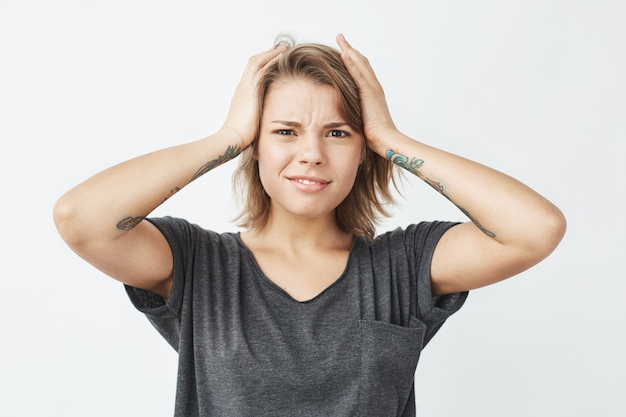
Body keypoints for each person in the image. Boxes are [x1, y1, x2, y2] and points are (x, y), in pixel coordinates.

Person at [53, 34, 566, 417]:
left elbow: (536, 228)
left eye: (338, 132)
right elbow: (82, 219)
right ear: (256, 146)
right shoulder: (198, 264)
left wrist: (388, 136)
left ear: (362, 152)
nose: (311, 155)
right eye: (285, 131)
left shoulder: (403, 266)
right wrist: (229, 134)